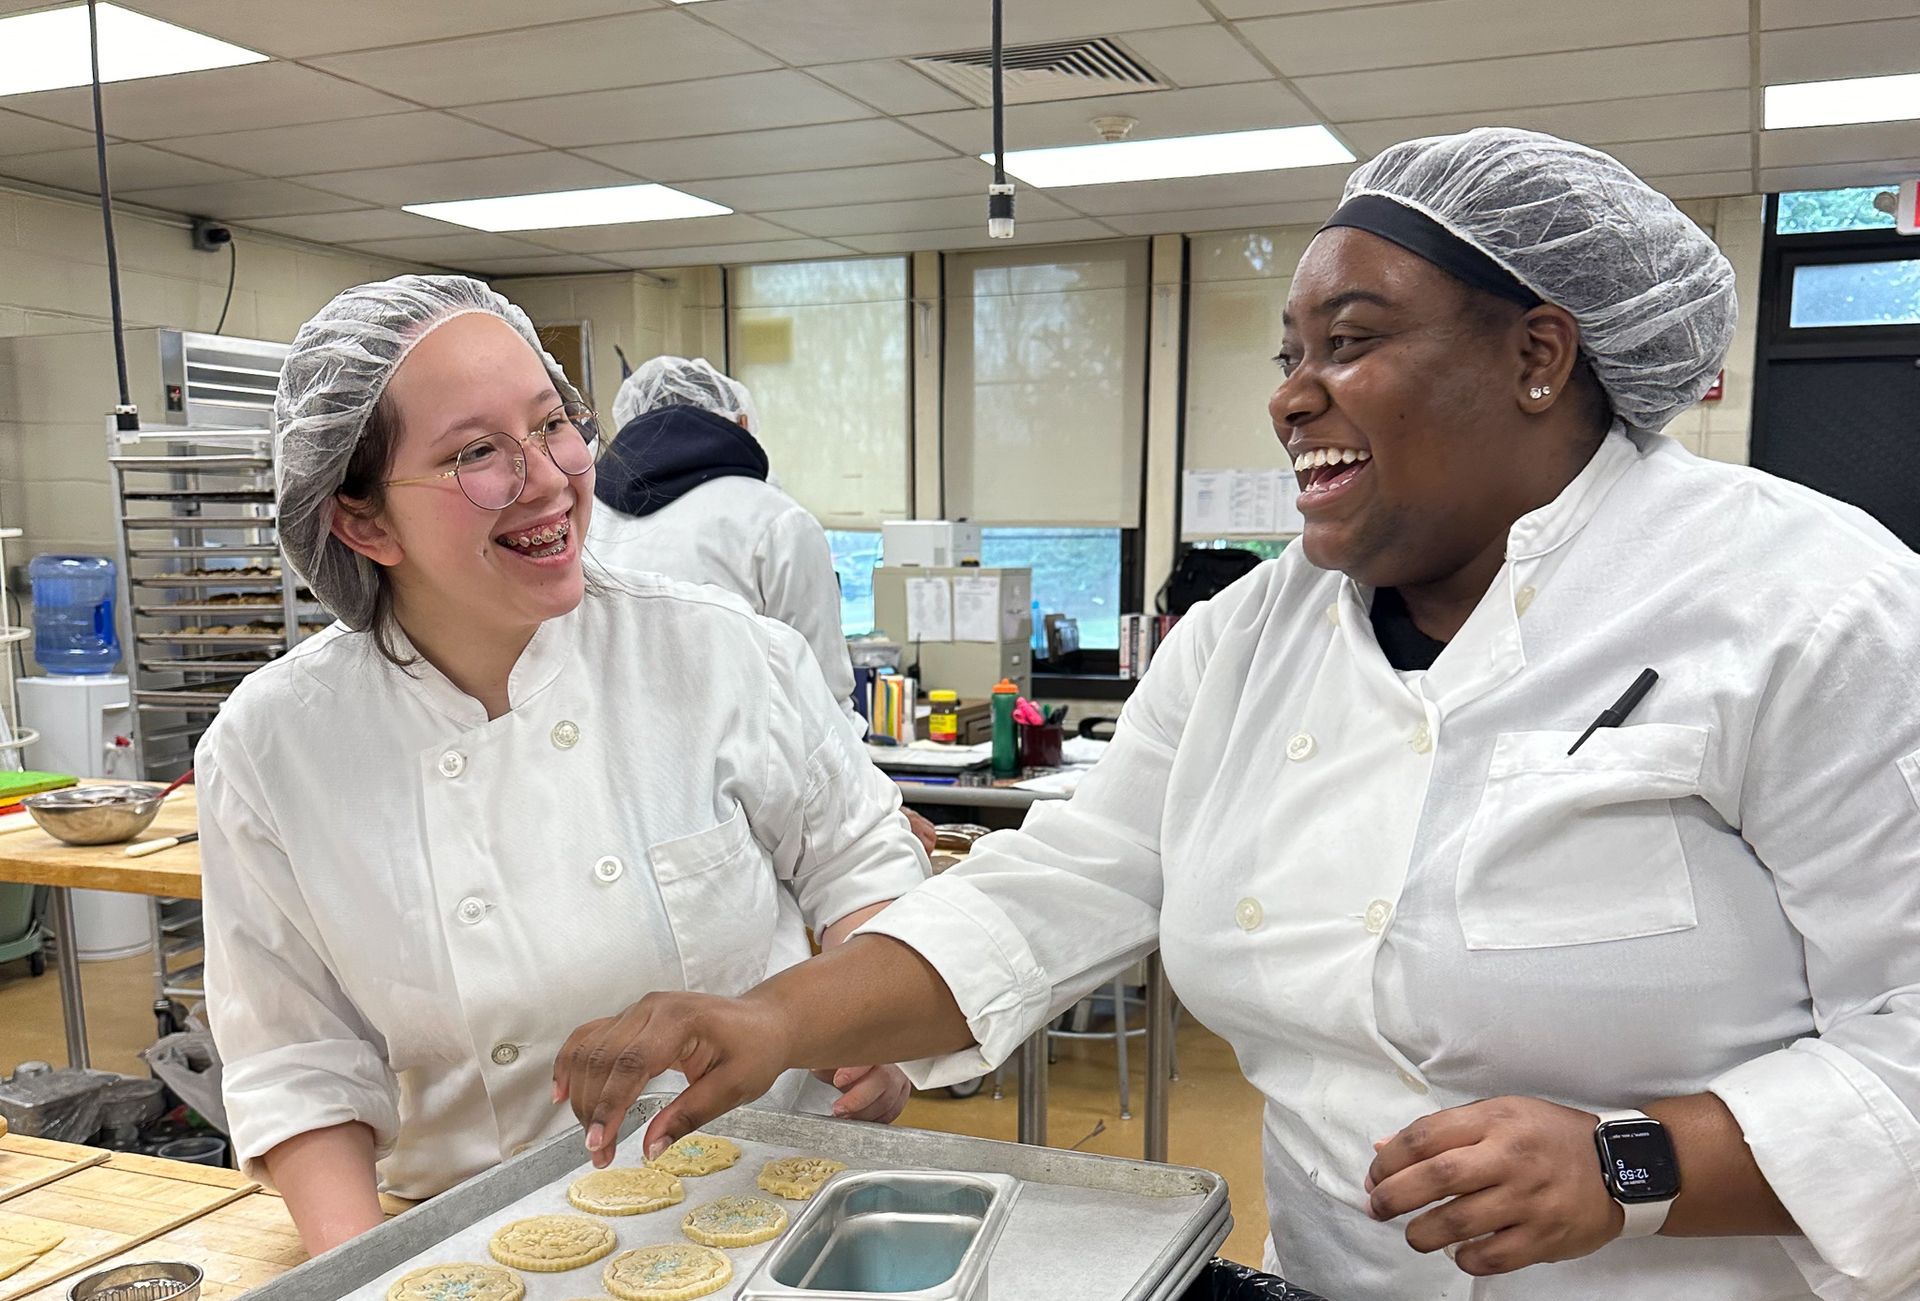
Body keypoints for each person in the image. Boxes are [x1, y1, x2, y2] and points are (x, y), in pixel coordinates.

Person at [551, 130, 1920, 1300]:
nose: (1291, 392)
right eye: (1290, 350)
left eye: (1352, 340)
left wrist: (1641, 1163)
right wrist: (775, 1021)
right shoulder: (1249, 639)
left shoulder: (1805, 608)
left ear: (1539, 357)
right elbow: (1050, 888)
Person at [198, 275, 928, 1256]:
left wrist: (866, 1024)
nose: (549, 477)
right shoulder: (274, 746)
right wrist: (363, 1274)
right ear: (365, 523)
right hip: (469, 1238)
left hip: (775, 1219)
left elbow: (862, 861)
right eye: (476, 453)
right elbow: (296, 1055)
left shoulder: (719, 653)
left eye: (553, 424)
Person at [588, 357, 938, 854]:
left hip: (604, 792)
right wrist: (873, 810)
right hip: (743, 798)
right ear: (742, 425)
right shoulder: (774, 520)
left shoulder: (579, 516)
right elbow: (822, 693)